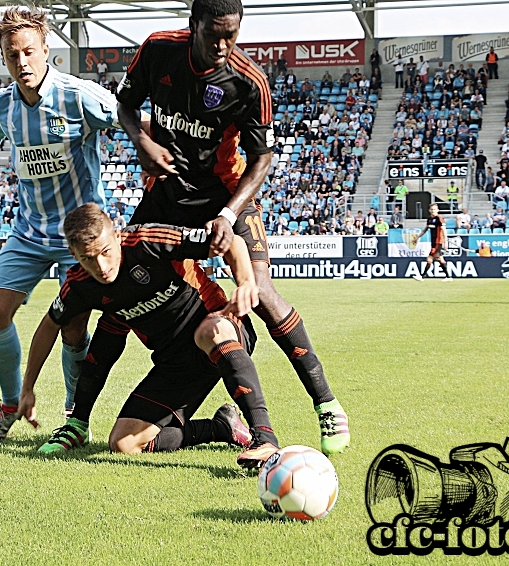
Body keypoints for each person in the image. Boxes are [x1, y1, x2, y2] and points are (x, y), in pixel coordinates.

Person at [115, 0, 349, 454]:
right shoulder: (159, 50)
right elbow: (125, 105)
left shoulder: (249, 81)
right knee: (122, 280)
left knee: (258, 289)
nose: (223, 45)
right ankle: (87, 415)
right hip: (165, 197)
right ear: (193, 26)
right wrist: (141, 139)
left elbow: (262, 158)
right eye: (213, 35)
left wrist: (225, 215)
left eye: (232, 35)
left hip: (226, 198)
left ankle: (326, 404)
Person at [0, 6, 124, 443]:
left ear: (46, 49)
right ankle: (10, 403)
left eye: (29, 52)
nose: (22, 63)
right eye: (12, 55)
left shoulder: (79, 95)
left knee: (73, 325)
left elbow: (128, 119)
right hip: (30, 231)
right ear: (4, 57)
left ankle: (75, 414)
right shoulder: (3, 104)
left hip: (79, 236)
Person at [18, 204, 280, 468]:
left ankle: (265, 440)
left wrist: (246, 283)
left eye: (106, 252)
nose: (101, 266)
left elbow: (231, 241)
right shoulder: (80, 285)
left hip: (224, 331)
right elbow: (50, 325)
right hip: (175, 364)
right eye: (88, 258)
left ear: (116, 236)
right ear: (73, 254)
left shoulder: (147, 241)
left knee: (211, 331)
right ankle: (221, 428)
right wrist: (28, 388)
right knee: (123, 444)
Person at [412, 203, 452, 281]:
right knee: (440, 259)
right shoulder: (429, 219)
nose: (433, 211)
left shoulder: (439, 218)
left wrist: (446, 242)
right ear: (429, 210)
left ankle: (422, 276)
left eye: (435, 209)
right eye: (432, 209)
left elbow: (444, 230)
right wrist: (417, 237)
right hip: (433, 241)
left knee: (430, 258)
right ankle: (448, 277)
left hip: (438, 241)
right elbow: (425, 230)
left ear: (438, 210)